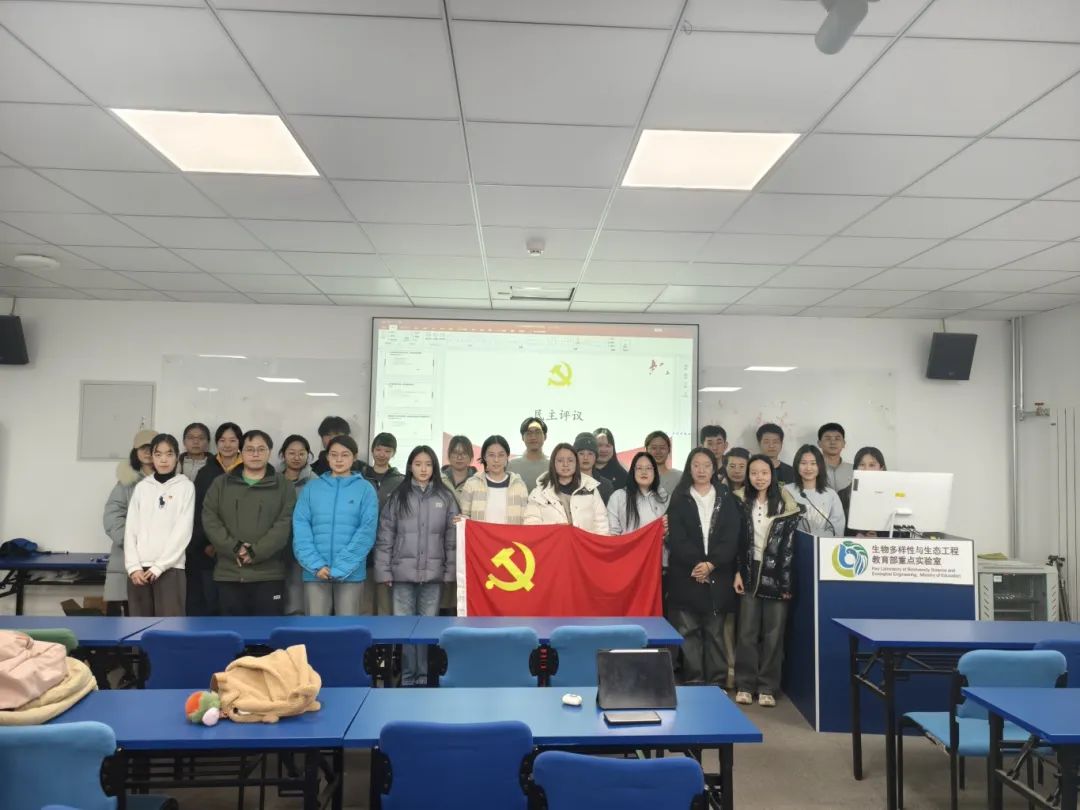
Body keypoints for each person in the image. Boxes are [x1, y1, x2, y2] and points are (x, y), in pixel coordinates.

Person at [374, 446, 459, 686]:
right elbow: (385, 536)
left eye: (428, 464)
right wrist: (384, 571)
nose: (423, 469)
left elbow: (452, 539)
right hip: (402, 574)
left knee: (427, 630)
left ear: (435, 468)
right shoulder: (398, 496)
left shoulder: (445, 497)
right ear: (410, 466)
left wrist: (449, 572)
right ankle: (407, 678)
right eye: (418, 464)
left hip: (433, 576)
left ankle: (423, 678)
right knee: (404, 629)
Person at [665, 447, 746, 687]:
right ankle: (693, 681)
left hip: (718, 573)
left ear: (714, 469)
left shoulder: (726, 497)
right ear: (689, 468)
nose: (701, 470)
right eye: (696, 465)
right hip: (686, 573)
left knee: (715, 633)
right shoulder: (679, 497)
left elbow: (732, 536)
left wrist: (711, 564)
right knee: (687, 632)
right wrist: (697, 564)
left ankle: (717, 683)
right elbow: (676, 537)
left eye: (706, 465)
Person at [202, 430, 296, 616]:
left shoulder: (284, 486)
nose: (255, 454)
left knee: (268, 631)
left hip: (269, 575)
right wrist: (235, 548)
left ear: (269, 452)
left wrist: (255, 552)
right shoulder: (221, 484)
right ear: (241, 451)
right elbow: (210, 519)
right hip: (229, 574)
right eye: (250, 449)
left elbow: (285, 524)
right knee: (232, 631)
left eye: (261, 449)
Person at [733, 453, 800, 707]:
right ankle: (744, 684)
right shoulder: (740, 502)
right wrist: (738, 571)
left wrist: (786, 582)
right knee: (747, 631)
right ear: (748, 476)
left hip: (777, 572)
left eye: (764, 473)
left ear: (772, 475)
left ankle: (767, 687)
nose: (759, 477)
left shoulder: (785, 504)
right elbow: (736, 542)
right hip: (749, 569)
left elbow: (790, 549)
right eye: (754, 473)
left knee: (774, 633)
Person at [293, 435, 379, 616]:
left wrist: (342, 567)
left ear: (354, 457)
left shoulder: (366, 489)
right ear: (327, 457)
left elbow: (367, 531)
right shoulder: (311, 488)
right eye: (334, 454)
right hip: (315, 573)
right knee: (316, 628)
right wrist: (316, 565)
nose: (339, 459)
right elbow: (301, 528)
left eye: (345, 455)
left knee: (348, 629)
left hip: (351, 573)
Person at [124, 433, 194, 617]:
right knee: (139, 627)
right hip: (139, 571)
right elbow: (131, 529)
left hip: (171, 568)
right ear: (152, 457)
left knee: (170, 626)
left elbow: (183, 530)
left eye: (169, 454)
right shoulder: (142, 487)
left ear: (177, 456)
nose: (164, 459)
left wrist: (160, 566)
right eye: (158, 454)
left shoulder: (185, 487)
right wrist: (133, 567)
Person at [187, 421, 243, 616]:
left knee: (236, 606)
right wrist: (207, 543)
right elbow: (199, 511)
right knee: (210, 604)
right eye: (222, 440)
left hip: (240, 550)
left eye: (232, 440)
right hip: (208, 550)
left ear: (240, 443)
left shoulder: (249, 470)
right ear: (216, 443)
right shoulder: (206, 472)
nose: (227, 445)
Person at [103, 428, 156, 616]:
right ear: (135, 451)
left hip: (161, 559)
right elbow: (112, 517)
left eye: (152, 447)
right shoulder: (126, 482)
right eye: (143, 448)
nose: (147, 452)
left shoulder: (173, 482)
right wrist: (131, 543)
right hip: (128, 557)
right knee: (129, 618)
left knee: (159, 614)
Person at [362, 432, 404, 616]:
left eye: (387, 451)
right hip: (363, 549)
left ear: (393, 453)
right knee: (364, 604)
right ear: (372, 450)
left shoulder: (401, 481)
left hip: (389, 549)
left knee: (385, 605)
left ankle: (385, 637)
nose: (382, 454)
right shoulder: (360, 478)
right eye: (378, 449)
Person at [524, 442, 609, 533]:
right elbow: (531, 525)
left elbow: (601, 524)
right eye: (560, 460)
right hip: (553, 542)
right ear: (553, 463)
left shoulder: (590, 489)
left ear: (576, 463)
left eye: (570, 460)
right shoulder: (539, 493)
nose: (565, 464)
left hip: (584, 542)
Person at [279, 434, 316, 615]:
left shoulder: (315, 482)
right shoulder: (273, 479)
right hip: (276, 543)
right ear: (283, 454)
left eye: (302, 453)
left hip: (304, 544)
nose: (296, 457)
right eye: (291, 453)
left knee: (298, 594)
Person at [459, 435, 530, 524]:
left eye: (501, 455)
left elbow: (525, 520)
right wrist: (462, 519)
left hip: (511, 534)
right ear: (484, 457)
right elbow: (464, 516)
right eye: (491, 455)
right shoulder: (472, 484)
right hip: (479, 534)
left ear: (507, 456)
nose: (496, 460)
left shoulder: (519, 486)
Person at [785, 444, 846, 537]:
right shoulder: (787, 491)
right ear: (797, 465)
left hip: (823, 544)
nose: (808, 468)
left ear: (820, 466)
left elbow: (837, 527)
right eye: (803, 463)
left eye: (813, 463)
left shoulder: (831, 495)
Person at [607, 451, 669, 537]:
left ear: (655, 472)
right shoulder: (618, 497)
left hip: (657, 545)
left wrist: (665, 531)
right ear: (633, 471)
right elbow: (613, 533)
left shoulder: (664, 497)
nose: (644, 472)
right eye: (639, 468)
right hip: (628, 545)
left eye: (648, 468)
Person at [842, 447, 888, 533]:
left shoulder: (890, 494)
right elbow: (840, 528)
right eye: (862, 464)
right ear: (855, 468)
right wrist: (858, 534)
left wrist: (879, 535)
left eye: (872, 465)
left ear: (881, 468)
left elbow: (900, 529)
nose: (866, 469)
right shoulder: (843, 494)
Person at [508, 416, 549, 492]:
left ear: (545, 436)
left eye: (538, 432)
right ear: (522, 437)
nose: (533, 437)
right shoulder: (511, 466)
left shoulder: (553, 466)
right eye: (528, 433)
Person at [574, 432, 614, 505]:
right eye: (581, 453)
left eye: (590, 453)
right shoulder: (566, 482)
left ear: (596, 456)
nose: (585, 458)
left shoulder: (606, 485)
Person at [818, 423, 853, 493]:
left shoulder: (854, 470)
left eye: (837, 439)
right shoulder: (811, 469)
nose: (833, 442)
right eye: (828, 439)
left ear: (843, 443)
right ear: (819, 443)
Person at [440, 434, 477, 501]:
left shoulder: (478, 482)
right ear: (448, 456)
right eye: (455, 453)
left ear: (471, 457)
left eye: (464, 453)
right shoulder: (438, 479)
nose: (459, 457)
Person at [646, 430, 683, 496]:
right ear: (646, 450)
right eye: (654, 448)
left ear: (669, 450)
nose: (658, 452)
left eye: (662, 448)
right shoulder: (639, 477)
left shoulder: (679, 477)